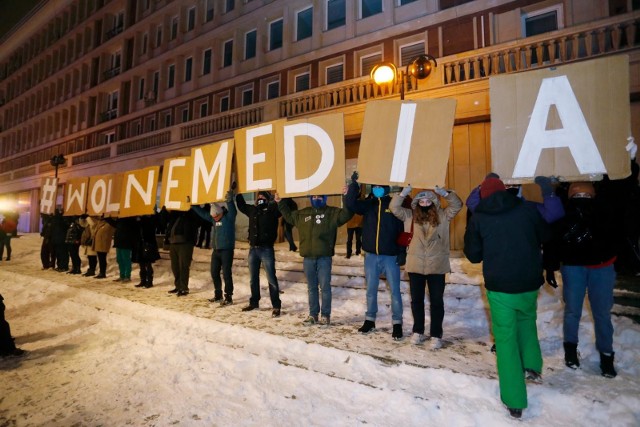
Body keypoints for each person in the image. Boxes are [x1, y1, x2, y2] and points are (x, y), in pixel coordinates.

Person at [463, 177, 551, 419]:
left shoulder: (479, 216)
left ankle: (515, 399)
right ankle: (533, 366)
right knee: (527, 321)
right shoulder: (527, 209)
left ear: (483, 195)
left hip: (500, 286)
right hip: (529, 282)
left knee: (505, 339)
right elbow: (546, 234)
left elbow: (473, 255)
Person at [544, 181, 619, 378]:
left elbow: (554, 237)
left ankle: (574, 353)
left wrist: (550, 266)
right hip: (597, 265)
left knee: (574, 311)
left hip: (577, 265)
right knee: (600, 313)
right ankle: (605, 358)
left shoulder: (568, 208)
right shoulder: (604, 205)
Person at [390, 185, 462, 349]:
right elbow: (394, 207)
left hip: (437, 266)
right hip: (416, 266)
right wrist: (403, 194)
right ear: (416, 202)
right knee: (417, 301)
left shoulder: (443, 216)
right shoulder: (409, 216)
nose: (424, 203)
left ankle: (436, 335)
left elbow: (457, 205)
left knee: (437, 302)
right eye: (421, 200)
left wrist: (445, 193)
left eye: (428, 200)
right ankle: (418, 331)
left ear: (434, 202)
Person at [277, 192, 353, 326]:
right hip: (308, 258)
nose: (316, 199)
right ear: (310, 198)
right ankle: (313, 315)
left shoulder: (332, 213)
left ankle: (325, 315)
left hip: (324, 258)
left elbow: (347, 214)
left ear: (325, 198)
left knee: (325, 287)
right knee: (311, 288)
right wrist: (280, 202)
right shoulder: (303, 213)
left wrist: (347, 196)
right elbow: (289, 216)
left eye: (320, 197)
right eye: (314, 197)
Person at [345, 172, 405, 340]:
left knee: (395, 291)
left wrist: (402, 252)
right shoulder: (369, 204)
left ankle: (397, 323)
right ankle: (370, 320)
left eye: (380, 187)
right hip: (371, 256)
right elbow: (350, 203)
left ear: (386, 189)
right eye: (375, 187)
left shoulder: (393, 206)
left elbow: (401, 231)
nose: (378, 189)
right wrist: (354, 184)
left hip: (390, 256)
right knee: (371, 290)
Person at [236, 190, 283, 317]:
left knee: (271, 279)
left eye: (263, 196)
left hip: (266, 249)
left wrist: (278, 200)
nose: (260, 198)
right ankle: (254, 302)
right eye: (259, 196)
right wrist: (238, 192)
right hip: (253, 249)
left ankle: (276, 306)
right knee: (253, 278)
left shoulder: (272, 210)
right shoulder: (253, 210)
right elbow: (241, 205)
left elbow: (282, 210)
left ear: (268, 199)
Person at [205, 189, 237, 305]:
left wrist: (229, 200)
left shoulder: (229, 218)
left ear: (220, 213)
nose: (215, 218)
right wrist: (192, 205)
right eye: (213, 217)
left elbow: (233, 211)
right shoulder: (213, 219)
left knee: (226, 273)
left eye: (216, 216)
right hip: (216, 251)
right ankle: (218, 295)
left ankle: (228, 297)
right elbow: (202, 214)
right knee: (214, 272)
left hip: (227, 251)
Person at [164, 207, 203, 296]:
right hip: (173, 242)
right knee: (175, 267)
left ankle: (184, 288)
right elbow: (163, 220)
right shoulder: (175, 213)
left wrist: (191, 207)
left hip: (186, 243)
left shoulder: (191, 213)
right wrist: (164, 209)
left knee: (183, 266)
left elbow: (199, 221)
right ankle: (178, 286)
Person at [133, 214, 160, 288]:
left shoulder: (151, 219)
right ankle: (143, 280)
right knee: (141, 263)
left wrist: (141, 220)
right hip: (141, 243)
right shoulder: (140, 220)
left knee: (148, 263)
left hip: (148, 243)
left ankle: (149, 281)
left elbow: (150, 228)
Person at [112, 216, 138, 283]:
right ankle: (122, 276)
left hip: (126, 243)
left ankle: (127, 276)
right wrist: (106, 218)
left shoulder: (130, 219)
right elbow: (113, 224)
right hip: (119, 243)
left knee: (126, 260)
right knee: (119, 260)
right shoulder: (120, 220)